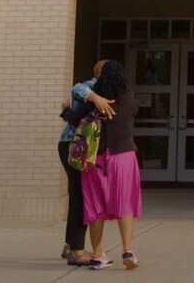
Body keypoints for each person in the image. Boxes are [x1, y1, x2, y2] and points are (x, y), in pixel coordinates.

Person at [80, 59, 142, 270]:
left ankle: (98, 253)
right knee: (125, 203)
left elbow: (73, 118)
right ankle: (127, 250)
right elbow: (131, 113)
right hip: (123, 156)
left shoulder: (92, 102)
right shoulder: (130, 100)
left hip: (95, 159)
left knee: (95, 207)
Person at [58, 60, 115, 267]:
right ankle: (76, 250)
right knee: (80, 196)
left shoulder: (109, 91)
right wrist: (95, 97)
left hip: (85, 149)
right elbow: (77, 88)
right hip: (74, 147)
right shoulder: (89, 87)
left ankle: (71, 244)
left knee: (78, 194)